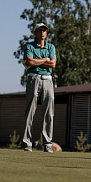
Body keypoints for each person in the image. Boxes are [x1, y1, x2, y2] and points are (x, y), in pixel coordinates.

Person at [22, 23, 57, 152]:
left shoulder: (51, 47)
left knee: (49, 113)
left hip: (47, 80)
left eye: (44, 30)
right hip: (33, 79)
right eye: (40, 30)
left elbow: (52, 64)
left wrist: (37, 61)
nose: (43, 32)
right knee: (30, 111)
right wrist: (44, 60)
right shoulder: (29, 46)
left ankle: (47, 143)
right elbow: (29, 62)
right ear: (35, 32)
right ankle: (27, 142)